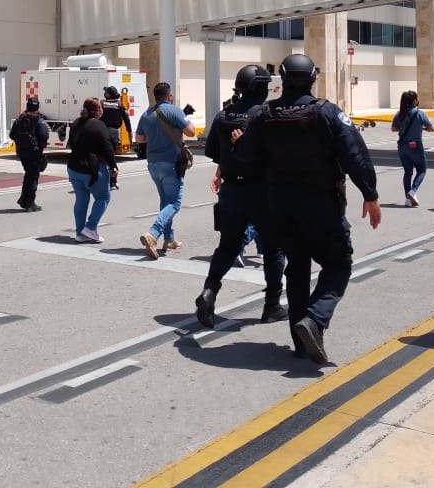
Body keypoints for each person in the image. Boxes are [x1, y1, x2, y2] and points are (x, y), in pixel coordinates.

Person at [234, 54, 382, 365]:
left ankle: (302, 343)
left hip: (281, 208)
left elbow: (246, 155)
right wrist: (370, 194)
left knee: (297, 269)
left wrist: (243, 144)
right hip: (322, 206)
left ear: (282, 80)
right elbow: (355, 153)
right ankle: (314, 321)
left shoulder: (264, 114)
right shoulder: (327, 112)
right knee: (339, 264)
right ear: (313, 78)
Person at [195, 65, 288, 329]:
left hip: (231, 192)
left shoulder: (223, 115)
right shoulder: (266, 114)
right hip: (262, 191)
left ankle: (210, 291)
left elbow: (212, 150)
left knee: (227, 246)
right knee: (273, 248)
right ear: (261, 88)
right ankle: (272, 305)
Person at [134, 82, 196, 260]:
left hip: (153, 163)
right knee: (175, 203)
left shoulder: (146, 114)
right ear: (169, 95)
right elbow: (191, 132)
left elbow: (139, 138)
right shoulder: (174, 110)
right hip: (171, 162)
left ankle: (169, 239)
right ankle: (153, 233)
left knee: (165, 200)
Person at [66, 97, 118, 243]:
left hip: (74, 167)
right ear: (97, 111)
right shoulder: (99, 125)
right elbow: (107, 148)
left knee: (81, 199)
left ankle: (80, 233)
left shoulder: (76, 123)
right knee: (103, 198)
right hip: (91, 169)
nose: (102, 110)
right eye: (101, 108)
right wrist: (114, 166)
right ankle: (90, 227)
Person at [391, 90, 434, 207]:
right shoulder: (419, 113)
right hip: (415, 145)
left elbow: (394, 129)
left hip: (402, 146)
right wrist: (421, 128)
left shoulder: (399, 114)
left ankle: (408, 199)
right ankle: (412, 191)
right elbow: (431, 128)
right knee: (422, 170)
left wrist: (403, 128)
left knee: (407, 172)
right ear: (414, 100)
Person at [11, 97, 49, 211]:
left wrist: (22, 141)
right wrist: (39, 146)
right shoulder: (39, 120)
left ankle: (24, 199)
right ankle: (29, 202)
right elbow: (43, 136)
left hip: (22, 152)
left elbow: (12, 135)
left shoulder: (20, 119)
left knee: (28, 175)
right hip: (35, 152)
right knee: (33, 177)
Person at [99, 86, 133, 153]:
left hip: (102, 131)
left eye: (106, 92)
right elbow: (126, 119)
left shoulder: (101, 103)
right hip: (114, 132)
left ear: (108, 94)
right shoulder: (119, 104)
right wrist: (129, 131)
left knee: (101, 153)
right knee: (111, 153)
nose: (104, 93)